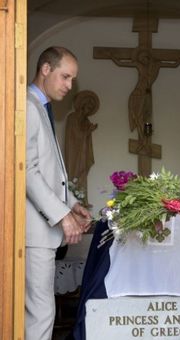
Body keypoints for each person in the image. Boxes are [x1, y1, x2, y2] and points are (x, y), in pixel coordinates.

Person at [26, 46, 92, 340]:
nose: (69, 85)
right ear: (45, 69)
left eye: (72, 80)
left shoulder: (42, 107)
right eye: (65, 77)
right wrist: (62, 214)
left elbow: (49, 172)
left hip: (42, 232)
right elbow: (26, 171)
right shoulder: (26, 106)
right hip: (34, 232)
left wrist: (72, 204)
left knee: (42, 311)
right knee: (41, 313)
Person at [65, 90, 99, 206]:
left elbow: (85, 136)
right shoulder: (72, 117)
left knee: (83, 173)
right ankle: (73, 197)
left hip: (84, 151)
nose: (88, 111)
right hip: (74, 153)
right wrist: (88, 131)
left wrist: (89, 131)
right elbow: (76, 134)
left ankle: (83, 199)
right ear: (82, 105)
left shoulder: (86, 120)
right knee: (75, 174)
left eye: (90, 109)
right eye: (87, 108)